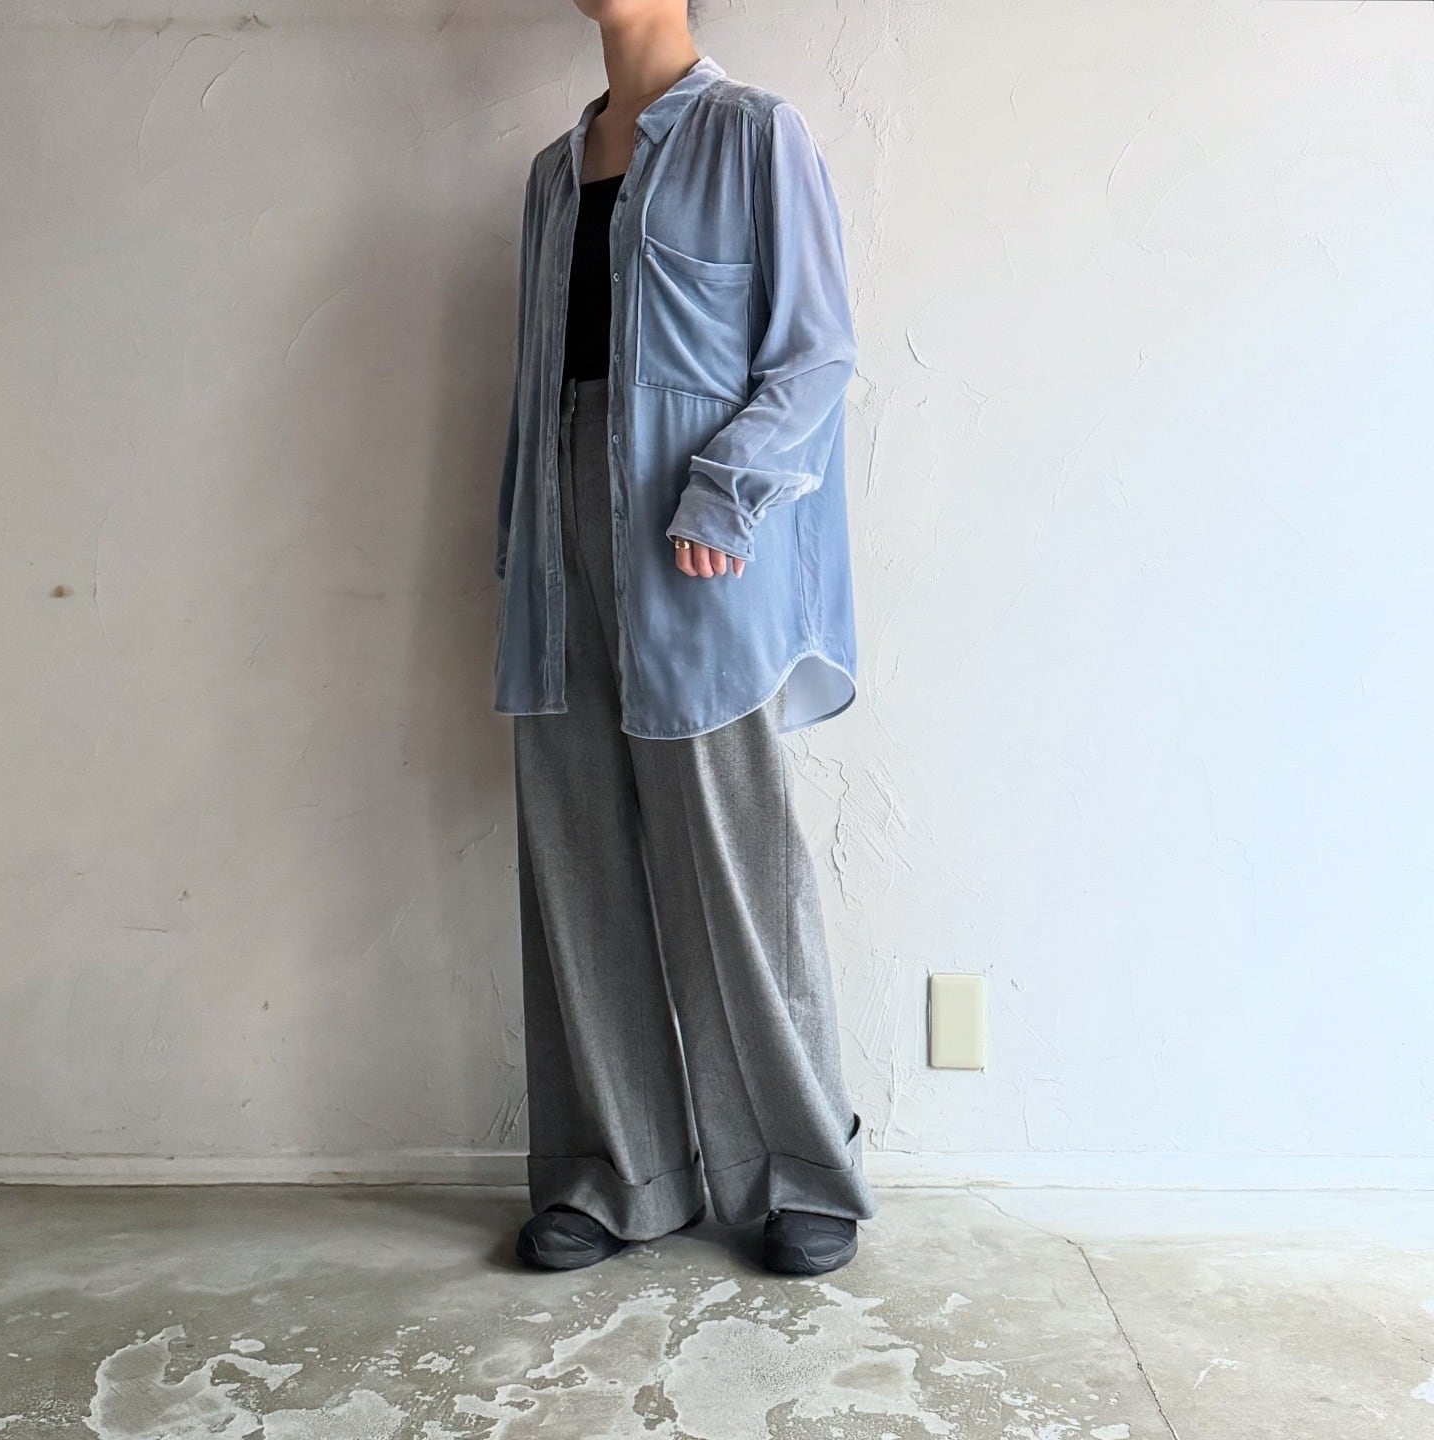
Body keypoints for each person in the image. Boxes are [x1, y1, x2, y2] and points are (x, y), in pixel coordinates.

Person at [492, 0, 875, 1276]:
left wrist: (726, 492)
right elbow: (540, 383)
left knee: (731, 854)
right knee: (577, 849)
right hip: (561, 533)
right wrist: (523, 544)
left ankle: (801, 1165)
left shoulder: (757, 134)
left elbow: (815, 354)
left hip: (693, 532)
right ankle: (622, 1169)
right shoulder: (553, 175)